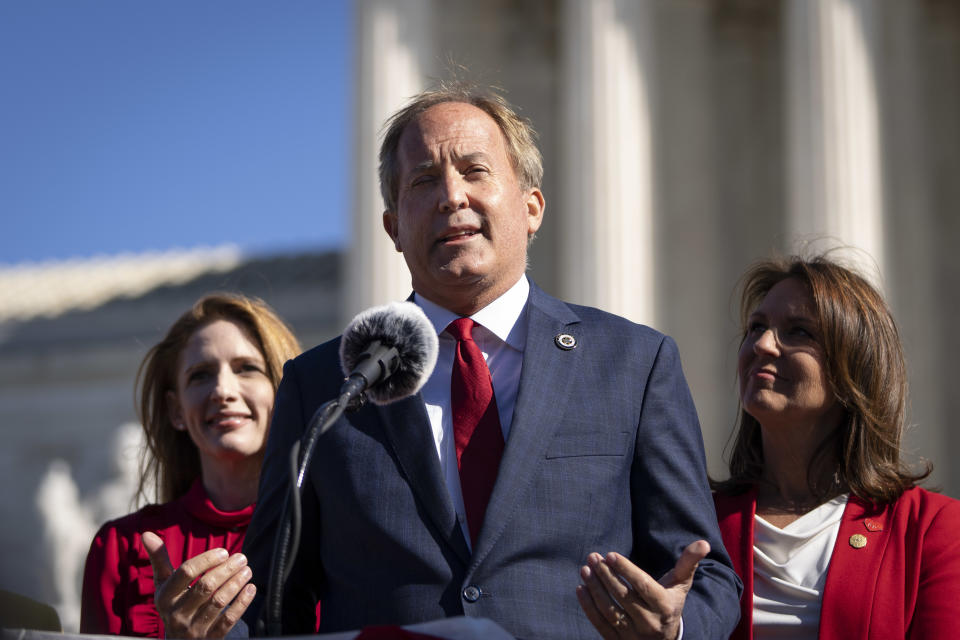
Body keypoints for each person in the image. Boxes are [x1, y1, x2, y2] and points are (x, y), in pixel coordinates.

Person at [234, 83, 741, 640]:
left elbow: (706, 575)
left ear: (531, 207)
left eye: (475, 171)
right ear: (394, 228)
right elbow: (273, 598)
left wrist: (676, 627)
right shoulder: (323, 386)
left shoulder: (634, 364)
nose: (452, 196)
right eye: (424, 180)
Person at [579, 254, 960, 639]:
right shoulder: (697, 526)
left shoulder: (932, 529)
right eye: (756, 327)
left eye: (799, 332)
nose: (762, 344)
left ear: (854, 366)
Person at [80, 293, 301, 637]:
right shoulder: (119, 546)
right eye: (200, 375)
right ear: (176, 411)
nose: (223, 390)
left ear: (283, 392)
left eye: (247, 369)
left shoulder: (330, 534)